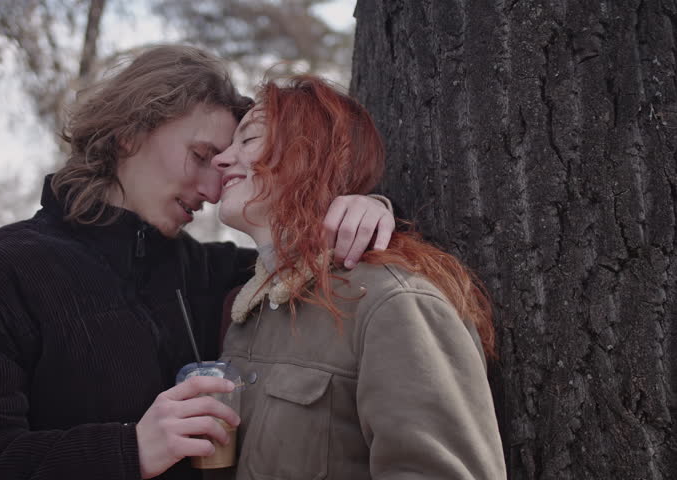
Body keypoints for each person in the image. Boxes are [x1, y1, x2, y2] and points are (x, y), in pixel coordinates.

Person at [0, 45, 395, 480]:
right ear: (129, 134)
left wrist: (365, 208)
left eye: (223, 162)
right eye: (201, 155)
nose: (212, 186)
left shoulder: (214, 275)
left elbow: (305, 259)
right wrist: (126, 451)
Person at [209, 75, 506, 479]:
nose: (221, 159)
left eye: (248, 139)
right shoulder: (249, 310)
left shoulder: (393, 302)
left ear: (309, 155)